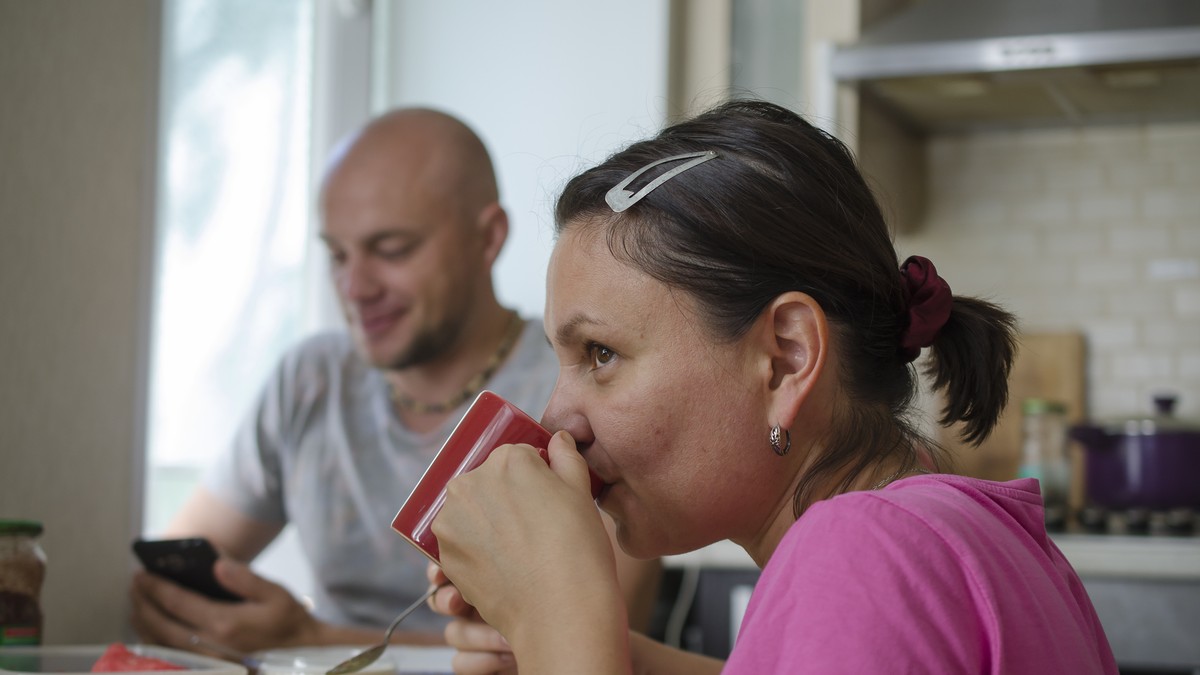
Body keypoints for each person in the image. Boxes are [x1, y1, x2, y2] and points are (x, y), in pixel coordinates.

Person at [426, 100, 1119, 673]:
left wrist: (561, 618)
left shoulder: (860, 552)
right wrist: (607, 654)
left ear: (787, 358)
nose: (558, 420)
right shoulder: (957, 529)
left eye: (601, 352)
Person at [129, 108, 661, 655]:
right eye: (337, 255)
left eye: (392, 250)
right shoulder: (311, 381)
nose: (354, 287)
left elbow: (598, 646)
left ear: (488, 239)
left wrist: (309, 638)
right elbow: (168, 575)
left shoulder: (578, 389)